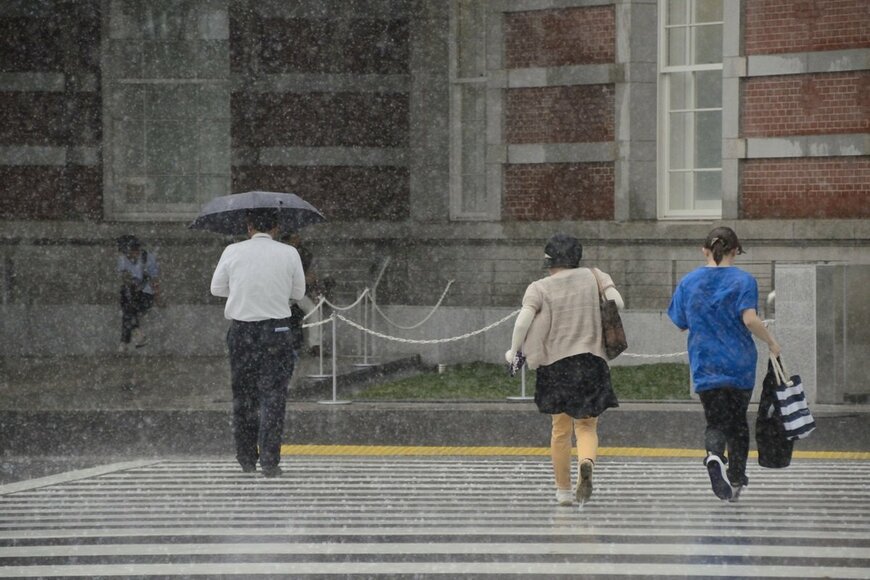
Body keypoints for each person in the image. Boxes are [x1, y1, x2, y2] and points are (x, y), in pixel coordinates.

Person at [505, 233, 624, 506]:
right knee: (586, 424)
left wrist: (515, 351)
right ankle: (586, 461)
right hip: (591, 361)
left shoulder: (539, 288)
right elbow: (618, 303)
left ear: (549, 261)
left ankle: (563, 491)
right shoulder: (595, 276)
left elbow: (523, 321)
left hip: (555, 365)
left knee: (560, 430)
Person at [667, 226, 781, 502]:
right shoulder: (744, 281)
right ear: (736, 251)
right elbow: (750, 319)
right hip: (738, 362)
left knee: (715, 421)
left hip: (705, 361)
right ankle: (737, 478)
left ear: (704, 250)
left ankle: (714, 455)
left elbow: (681, 323)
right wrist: (771, 342)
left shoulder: (689, 282)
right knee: (738, 422)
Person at [210, 209, 306, 477]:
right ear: (276, 227)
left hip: (241, 330)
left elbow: (216, 288)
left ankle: (246, 457)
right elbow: (299, 292)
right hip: (276, 329)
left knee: (243, 396)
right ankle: (270, 460)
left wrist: (242, 289)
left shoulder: (232, 251)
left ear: (249, 226)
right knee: (274, 396)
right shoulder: (289, 253)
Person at [280, 230, 324, 357]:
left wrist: (312, 286)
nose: (297, 239)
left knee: (313, 309)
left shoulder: (304, 254)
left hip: (298, 292)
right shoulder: (279, 253)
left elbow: (311, 275)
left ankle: (315, 344)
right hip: (281, 292)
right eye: (294, 237)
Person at [116, 234, 161, 353]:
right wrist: (130, 283)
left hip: (145, 294)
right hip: (130, 293)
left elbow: (154, 279)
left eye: (129, 252)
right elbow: (124, 277)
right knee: (128, 307)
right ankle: (136, 336)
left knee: (128, 310)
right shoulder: (123, 259)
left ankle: (124, 342)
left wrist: (158, 296)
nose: (128, 255)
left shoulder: (147, 258)